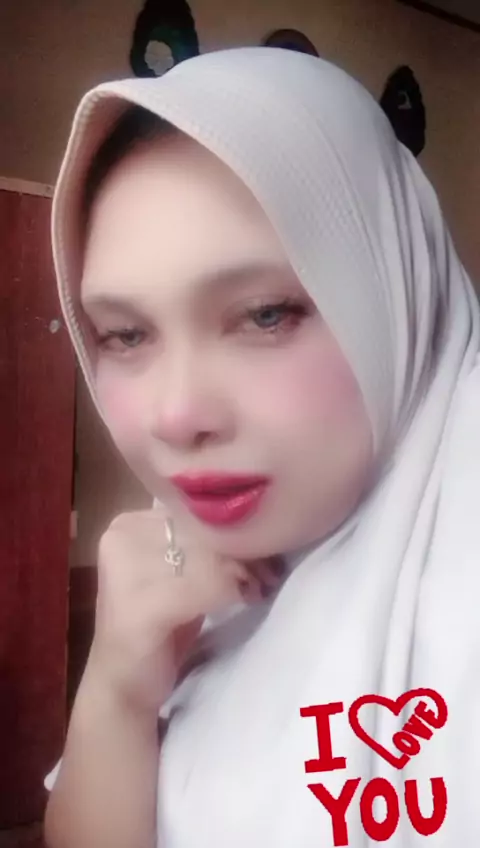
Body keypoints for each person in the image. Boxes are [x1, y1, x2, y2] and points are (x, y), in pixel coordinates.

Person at [44, 47, 480, 848]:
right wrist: (117, 695)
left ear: (394, 290)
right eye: (126, 335)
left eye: (265, 315)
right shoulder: (171, 580)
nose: (177, 416)